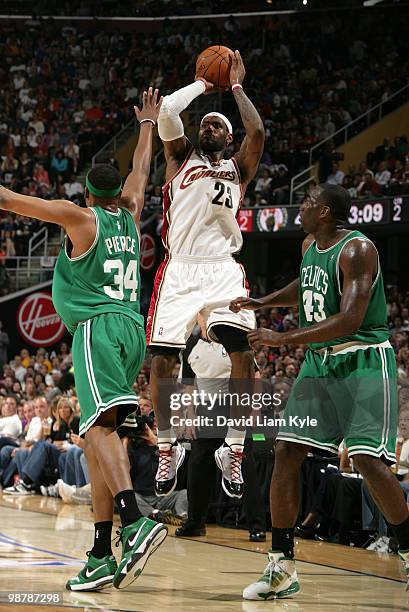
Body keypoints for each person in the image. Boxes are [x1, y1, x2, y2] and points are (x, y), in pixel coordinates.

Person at [0, 88, 168, 592]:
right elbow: (142, 168)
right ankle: (99, 549)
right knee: (97, 440)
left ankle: (134, 521)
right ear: (117, 193)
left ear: (89, 194)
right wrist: (147, 126)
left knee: (95, 430)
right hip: (132, 331)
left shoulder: (83, 217)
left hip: (98, 328)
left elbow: (9, 200)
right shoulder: (131, 210)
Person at [231, 183, 409, 598]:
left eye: (309, 202)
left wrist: (281, 339)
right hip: (319, 362)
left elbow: (350, 318)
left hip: (362, 358)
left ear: (327, 212)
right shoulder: (312, 245)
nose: (302, 207)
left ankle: (407, 546)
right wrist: (263, 303)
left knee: (367, 461)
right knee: (287, 450)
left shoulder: (358, 250)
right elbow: (306, 286)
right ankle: (282, 565)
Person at [147, 50, 264, 499]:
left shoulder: (239, 169)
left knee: (243, 353)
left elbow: (257, 130)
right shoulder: (179, 158)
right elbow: (170, 110)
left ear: (228, 136)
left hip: (222, 271)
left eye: (217, 125)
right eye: (205, 124)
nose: (207, 128)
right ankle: (167, 445)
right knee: (162, 359)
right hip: (180, 267)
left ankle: (232, 450)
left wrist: (235, 87)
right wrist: (203, 83)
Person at [175, 318, 266, 541]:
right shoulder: (191, 343)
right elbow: (189, 384)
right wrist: (191, 414)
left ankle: (256, 525)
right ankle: (195, 523)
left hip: (235, 405)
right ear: (198, 317)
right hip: (206, 409)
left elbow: (254, 376)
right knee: (198, 465)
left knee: (243, 464)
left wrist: (254, 409)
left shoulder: (234, 338)